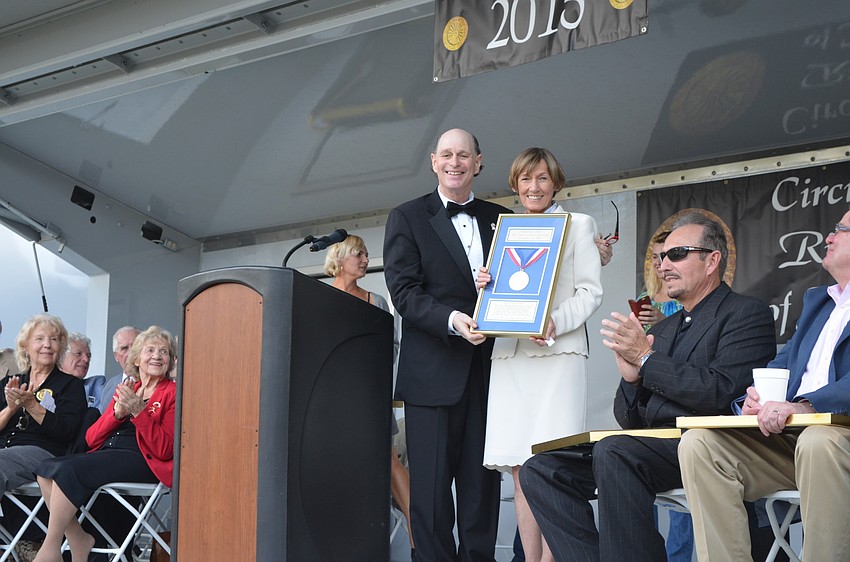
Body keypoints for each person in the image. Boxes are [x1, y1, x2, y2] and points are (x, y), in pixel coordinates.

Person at [519, 212, 777, 561]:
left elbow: (720, 392)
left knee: (615, 450)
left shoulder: (746, 313)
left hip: (712, 447)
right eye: (661, 256)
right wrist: (632, 379)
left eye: (677, 254)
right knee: (542, 469)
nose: (664, 265)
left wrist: (646, 359)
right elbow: (629, 420)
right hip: (655, 449)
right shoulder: (665, 328)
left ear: (712, 260)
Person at [678, 211, 850, 562]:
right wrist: (753, 398)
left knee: (820, 441)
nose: (829, 238)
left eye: (840, 230)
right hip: (794, 442)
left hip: (835, 439)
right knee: (700, 444)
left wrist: (806, 405)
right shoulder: (820, 301)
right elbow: (783, 364)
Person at [383, 128, 511, 562]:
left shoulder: (502, 218)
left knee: (482, 490)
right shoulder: (407, 216)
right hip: (433, 375)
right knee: (432, 496)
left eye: (464, 155)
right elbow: (404, 293)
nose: (455, 162)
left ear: (478, 161)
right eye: (447, 155)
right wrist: (453, 320)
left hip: (491, 373)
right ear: (434, 162)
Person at [477, 148, 603, 562]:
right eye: (526, 179)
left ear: (556, 184)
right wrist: (485, 287)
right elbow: (501, 297)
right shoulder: (505, 232)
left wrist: (554, 322)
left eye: (543, 178)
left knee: (551, 468)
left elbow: (590, 292)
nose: (534, 187)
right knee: (520, 471)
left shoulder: (579, 225)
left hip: (558, 357)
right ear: (515, 185)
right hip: (510, 359)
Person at [31, 325, 176, 562]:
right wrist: (116, 414)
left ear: (170, 361)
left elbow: (165, 448)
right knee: (46, 469)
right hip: (110, 453)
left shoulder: (172, 392)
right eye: (150, 350)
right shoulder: (129, 389)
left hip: (142, 459)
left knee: (68, 470)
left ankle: (51, 546)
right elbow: (92, 438)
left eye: (164, 352)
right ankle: (78, 538)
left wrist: (139, 412)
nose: (157, 356)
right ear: (137, 359)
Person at [323, 234, 415, 554]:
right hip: (331, 401)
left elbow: (391, 347)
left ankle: (419, 541)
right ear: (339, 258)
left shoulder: (376, 301)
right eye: (358, 254)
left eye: (365, 254)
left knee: (389, 462)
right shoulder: (320, 298)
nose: (365, 260)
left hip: (368, 395)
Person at [0, 314, 87, 494]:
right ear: (25, 346)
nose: (47, 344)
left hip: (43, 454)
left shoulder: (70, 385)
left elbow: (66, 432)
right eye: (39, 339)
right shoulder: (10, 382)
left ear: (60, 347)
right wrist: (11, 409)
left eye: (53, 339)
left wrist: (32, 405)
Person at [637, 231, 683, 328]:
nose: (658, 262)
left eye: (663, 256)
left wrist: (663, 321)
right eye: (654, 257)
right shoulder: (644, 298)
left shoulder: (687, 299)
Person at [98, 326, 140, 413]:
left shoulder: (154, 384)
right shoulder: (109, 386)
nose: (130, 353)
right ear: (116, 356)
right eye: (124, 348)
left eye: (135, 347)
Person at [61, 332, 104, 408]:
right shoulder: (47, 387)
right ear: (61, 357)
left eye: (88, 356)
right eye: (78, 354)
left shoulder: (96, 386)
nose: (86, 359)